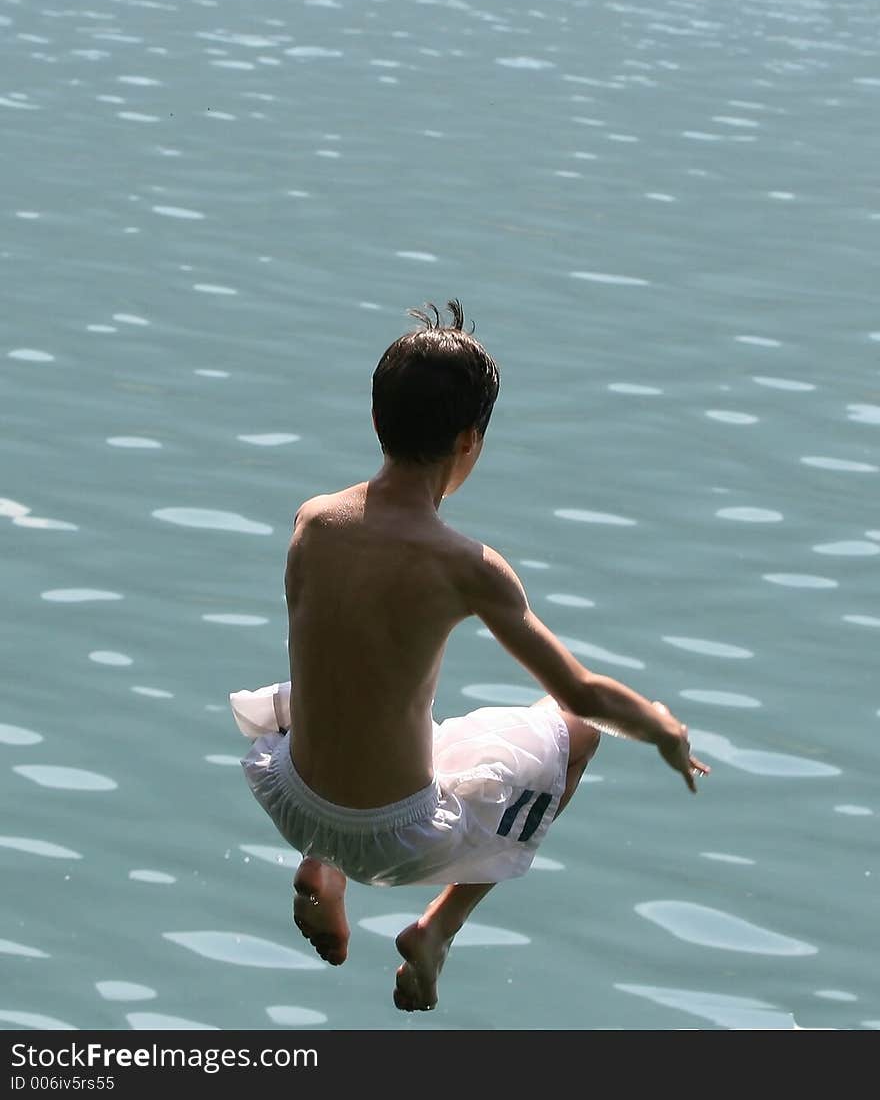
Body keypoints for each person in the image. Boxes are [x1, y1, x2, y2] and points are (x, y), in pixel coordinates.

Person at [229, 299, 710, 1012]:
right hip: (395, 838)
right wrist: (664, 727)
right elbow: (581, 694)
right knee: (575, 736)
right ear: (470, 442)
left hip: (290, 795)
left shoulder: (313, 522)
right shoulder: (467, 567)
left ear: (375, 420)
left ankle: (320, 866)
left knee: (336, 686)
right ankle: (437, 932)